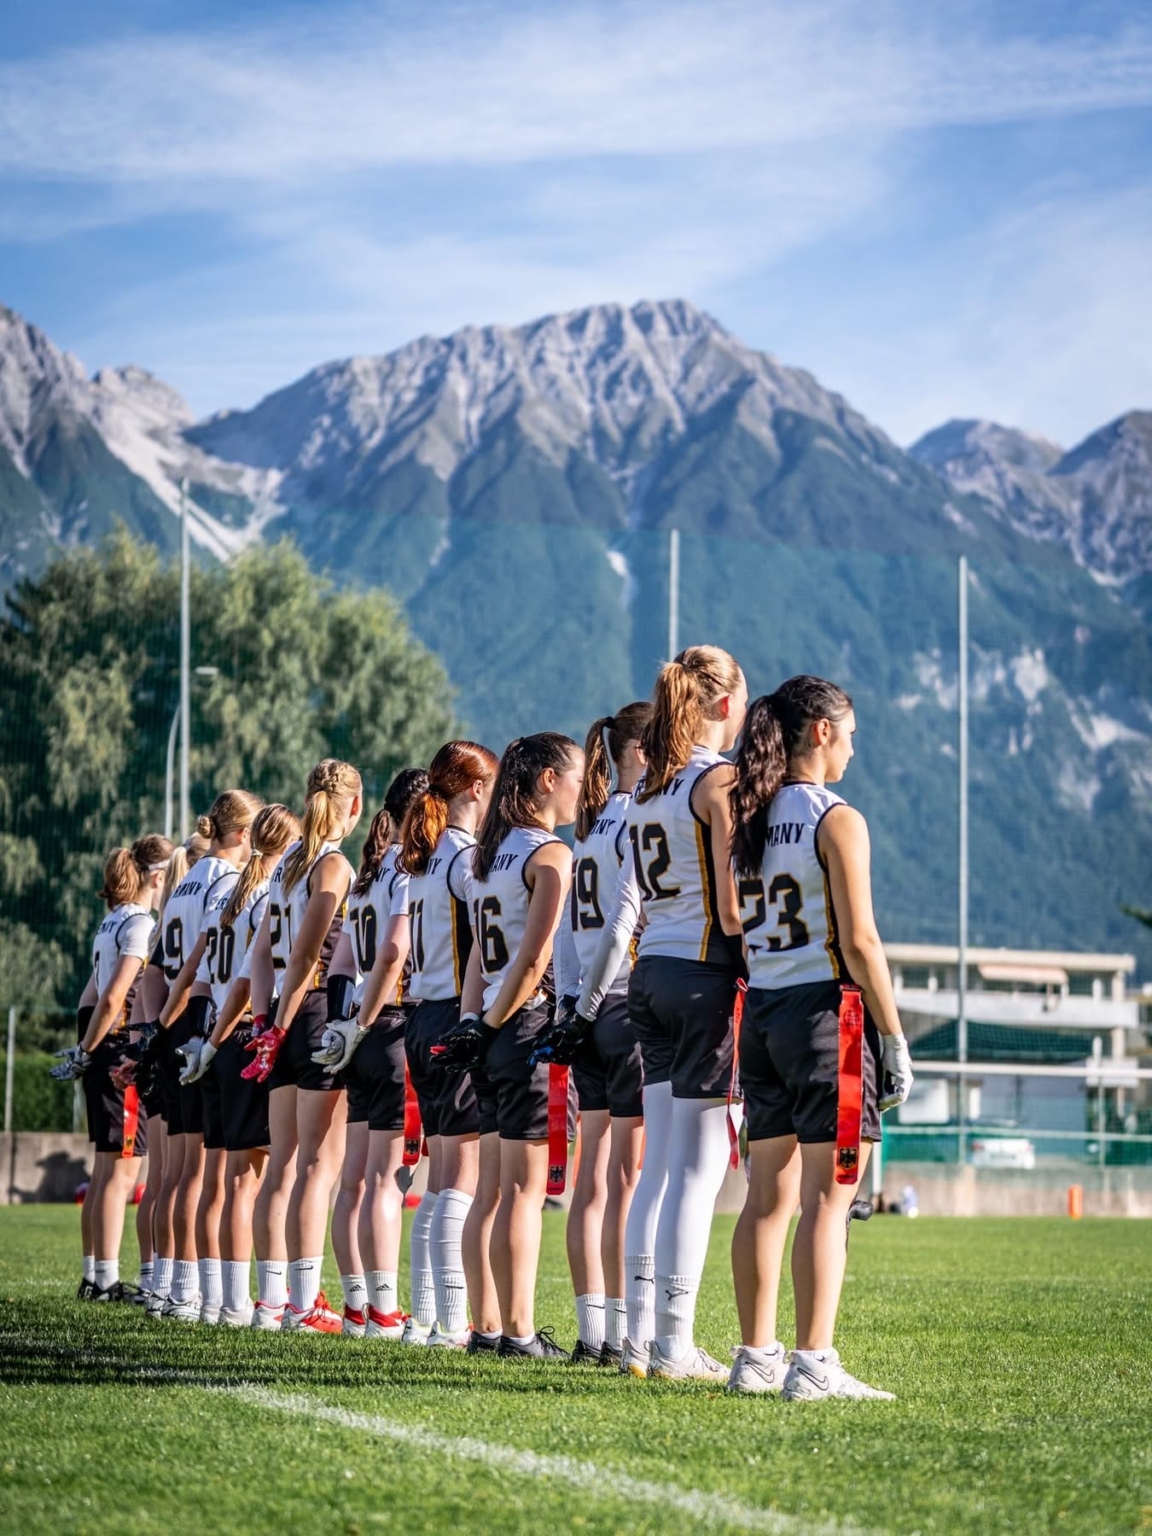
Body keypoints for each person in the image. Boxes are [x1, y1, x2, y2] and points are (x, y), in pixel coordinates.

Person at [727, 676, 912, 1400]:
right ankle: (813, 1364)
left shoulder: (750, 814)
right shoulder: (835, 818)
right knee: (830, 1200)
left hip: (765, 1011)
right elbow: (861, 940)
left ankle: (754, 1358)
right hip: (825, 1018)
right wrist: (893, 1037)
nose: (855, 748)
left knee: (764, 1200)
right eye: (852, 733)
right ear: (823, 732)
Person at [584, 646, 747, 1381]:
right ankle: (674, 1344)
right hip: (704, 974)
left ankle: (641, 1336)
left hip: (649, 975)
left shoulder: (647, 787)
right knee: (700, 1170)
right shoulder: (716, 780)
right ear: (721, 705)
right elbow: (733, 904)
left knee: (658, 1168)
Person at [435, 733, 583, 1360]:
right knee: (522, 1194)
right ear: (547, 780)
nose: (583, 786)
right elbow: (533, 959)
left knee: (490, 1193)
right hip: (523, 1027)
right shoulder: (548, 854)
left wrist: (473, 1022)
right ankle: (519, 1332)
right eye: (575, 774)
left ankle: (487, 1326)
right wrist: (492, 1023)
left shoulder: (489, 857)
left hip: (492, 1027)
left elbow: (476, 960)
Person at [545, 705, 650, 1366]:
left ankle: (595, 1331)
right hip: (619, 1004)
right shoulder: (641, 814)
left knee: (591, 1182)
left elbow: (562, 931)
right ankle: (628, 1332)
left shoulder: (590, 823)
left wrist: (566, 1006)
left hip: (583, 1006)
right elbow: (622, 925)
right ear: (640, 747)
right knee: (628, 1179)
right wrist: (586, 1006)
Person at [246, 759, 362, 1333]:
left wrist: (266, 1021)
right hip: (313, 1014)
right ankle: (303, 1301)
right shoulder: (334, 865)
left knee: (283, 1164)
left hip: (284, 1018)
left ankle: (272, 1301)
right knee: (320, 1163)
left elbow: (263, 956)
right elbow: (305, 956)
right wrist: (281, 1024)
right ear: (356, 808)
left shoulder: (287, 864)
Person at [179, 803, 300, 1326]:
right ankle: (239, 1302)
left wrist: (206, 1038)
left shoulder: (226, 894)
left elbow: (203, 975)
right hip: (245, 1034)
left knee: (225, 1178)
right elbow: (253, 978)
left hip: (216, 1036)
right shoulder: (266, 894)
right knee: (249, 1179)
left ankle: (215, 1299)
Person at [319, 770, 428, 1339]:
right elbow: (393, 952)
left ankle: (360, 1304)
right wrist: (362, 1024)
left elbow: (340, 962)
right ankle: (384, 1309)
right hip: (387, 1027)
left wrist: (342, 1024)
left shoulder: (369, 870)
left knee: (355, 1179)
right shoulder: (409, 869)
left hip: (359, 1028)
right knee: (388, 1178)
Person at [397, 741, 498, 1350]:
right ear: (475, 791)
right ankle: (451, 1322)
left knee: (439, 1181)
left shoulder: (431, 857)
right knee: (459, 1179)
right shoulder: (462, 858)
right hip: (451, 1015)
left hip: (420, 1017)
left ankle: (426, 1318)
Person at [155, 791, 262, 1321]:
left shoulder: (184, 881)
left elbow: (164, 965)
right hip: (211, 1022)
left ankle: (175, 1285)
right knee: (210, 1174)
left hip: (183, 1022)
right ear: (242, 834)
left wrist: (155, 1031)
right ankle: (202, 1291)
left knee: (179, 1173)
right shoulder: (226, 882)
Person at [54, 836, 172, 1301]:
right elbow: (113, 996)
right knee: (124, 1172)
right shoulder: (141, 923)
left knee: (105, 1169)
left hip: (102, 1048)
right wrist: (91, 1049)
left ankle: (93, 1275)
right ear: (157, 877)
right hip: (120, 1050)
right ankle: (103, 1281)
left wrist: (85, 1048)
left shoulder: (112, 921)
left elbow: (89, 997)